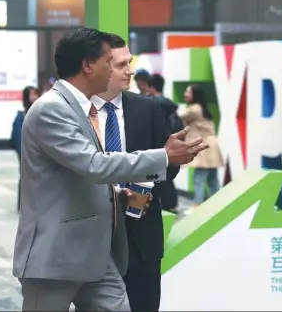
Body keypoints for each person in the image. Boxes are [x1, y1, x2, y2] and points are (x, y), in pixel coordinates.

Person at [12, 27, 209, 312]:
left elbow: (80, 175)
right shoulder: (52, 109)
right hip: (56, 255)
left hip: (96, 253)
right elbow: (93, 164)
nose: (124, 70)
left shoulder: (79, 108)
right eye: (111, 62)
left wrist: (118, 199)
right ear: (88, 65)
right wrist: (163, 157)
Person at [90, 34, 179, 312]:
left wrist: (142, 186)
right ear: (96, 66)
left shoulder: (149, 109)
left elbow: (169, 166)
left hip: (142, 234)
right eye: (120, 65)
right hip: (93, 235)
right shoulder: (76, 112)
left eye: (130, 62)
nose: (130, 70)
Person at [181, 84, 223, 206]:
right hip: (211, 147)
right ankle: (218, 205)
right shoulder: (201, 108)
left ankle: (197, 207)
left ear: (195, 95)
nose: (185, 94)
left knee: (198, 178)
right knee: (212, 179)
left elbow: (180, 117)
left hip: (205, 147)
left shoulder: (194, 109)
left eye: (188, 92)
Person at [147, 73, 183, 212]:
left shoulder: (152, 105)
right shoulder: (170, 105)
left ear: (151, 87)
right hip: (172, 145)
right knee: (167, 178)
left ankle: (166, 206)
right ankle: (171, 205)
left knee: (160, 179)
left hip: (159, 147)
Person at [11, 86, 40, 210]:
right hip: (26, 152)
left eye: (36, 94)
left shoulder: (41, 113)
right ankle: (22, 204)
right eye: (31, 94)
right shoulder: (21, 116)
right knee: (25, 177)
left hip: (39, 153)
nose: (35, 97)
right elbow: (17, 138)